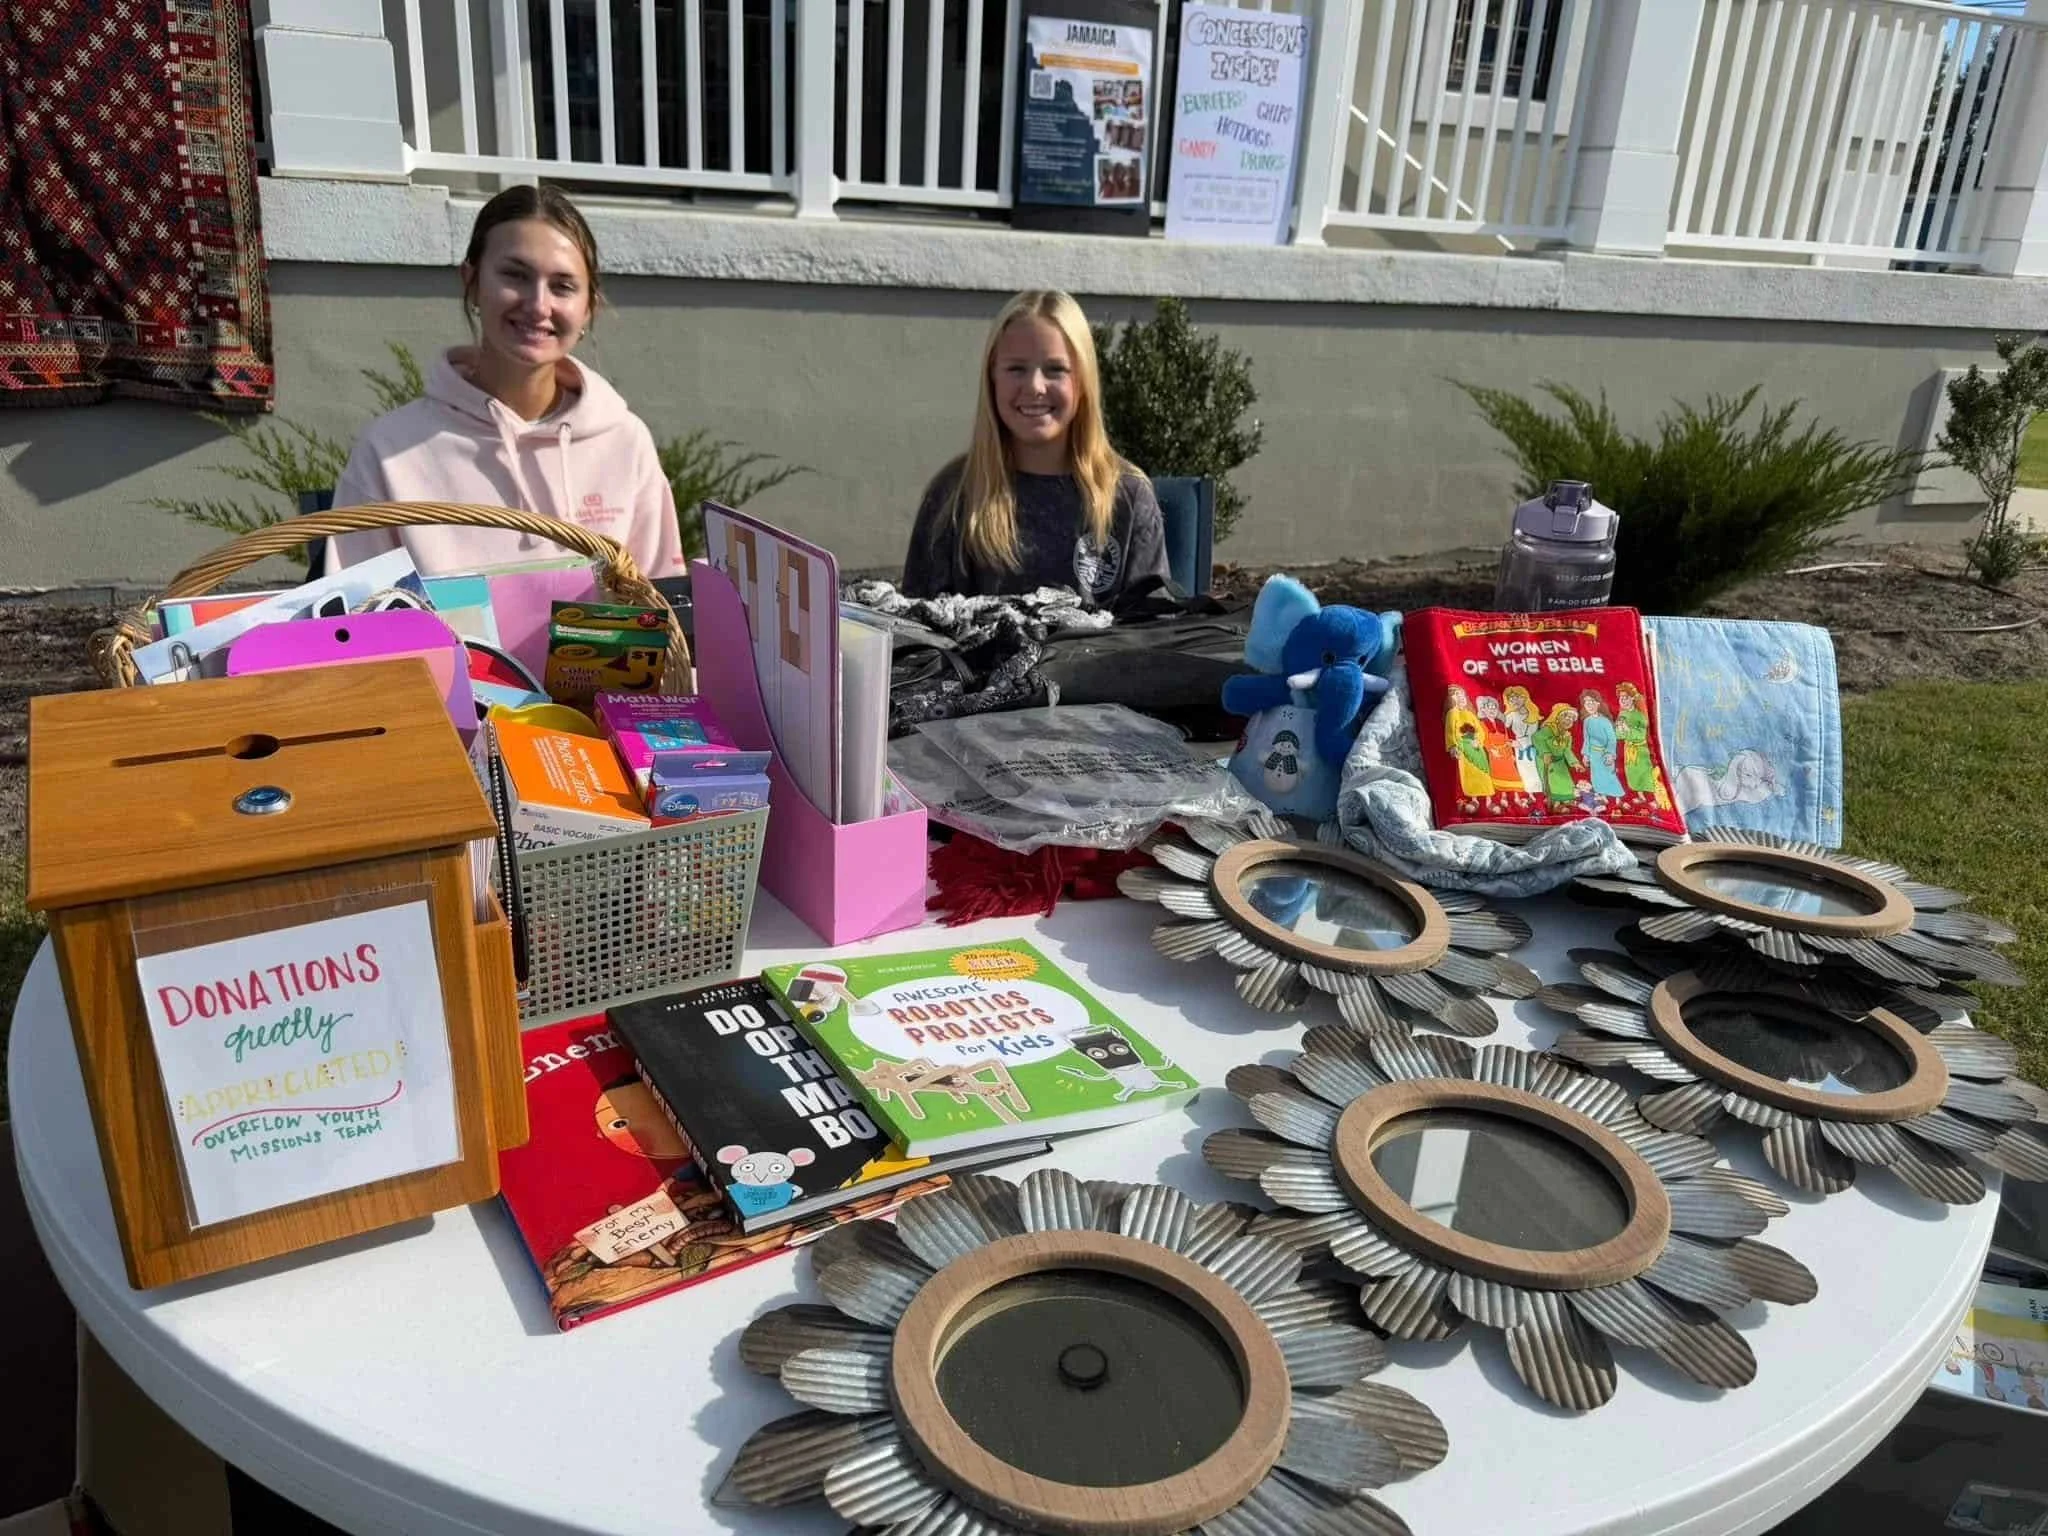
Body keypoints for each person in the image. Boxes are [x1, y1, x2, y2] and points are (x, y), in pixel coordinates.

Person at [328, 186, 684, 579]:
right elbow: (354, 623)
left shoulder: (625, 442)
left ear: (588, 308)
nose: (538, 305)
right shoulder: (387, 452)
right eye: (515, 275)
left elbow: (659, 605)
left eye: (563, 286)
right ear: (472, 281)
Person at [901, 289, 1167, 603]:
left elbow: (1153, 635)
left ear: (1082, 381)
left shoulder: (1128, 497)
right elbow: (918, 635)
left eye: (1056, 369)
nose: (1035, 387)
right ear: (992, 379)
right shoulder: (952, 496)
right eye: (1016, 369)